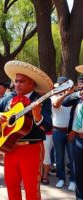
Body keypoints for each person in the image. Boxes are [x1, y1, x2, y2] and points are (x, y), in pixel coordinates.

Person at [0, 60, 53, 200]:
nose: (17, 84)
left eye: (21, 81)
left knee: (31, 190)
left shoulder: (41, 100)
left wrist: (37, 115)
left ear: (32, 84)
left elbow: (48, 126)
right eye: (16, 81)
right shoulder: (9, 97)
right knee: (11, 186)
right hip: (9, 148)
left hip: (32, 149)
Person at [50, 76, 75, 190]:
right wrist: (66, 94)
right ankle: (61, 178)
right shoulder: (53, 97)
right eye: (61, 85)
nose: (63, 87)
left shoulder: (73, 97)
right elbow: (56, 104)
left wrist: (71, 94)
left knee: (72, 157)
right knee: (59, 157)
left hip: (70, 131)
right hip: (57, 131)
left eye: (65, 85)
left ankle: (73, 180)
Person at [63, 66, 83, 199]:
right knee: (79, 173)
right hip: (79, 141)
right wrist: (77, 93)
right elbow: (64, 102)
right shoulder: (78, 99)